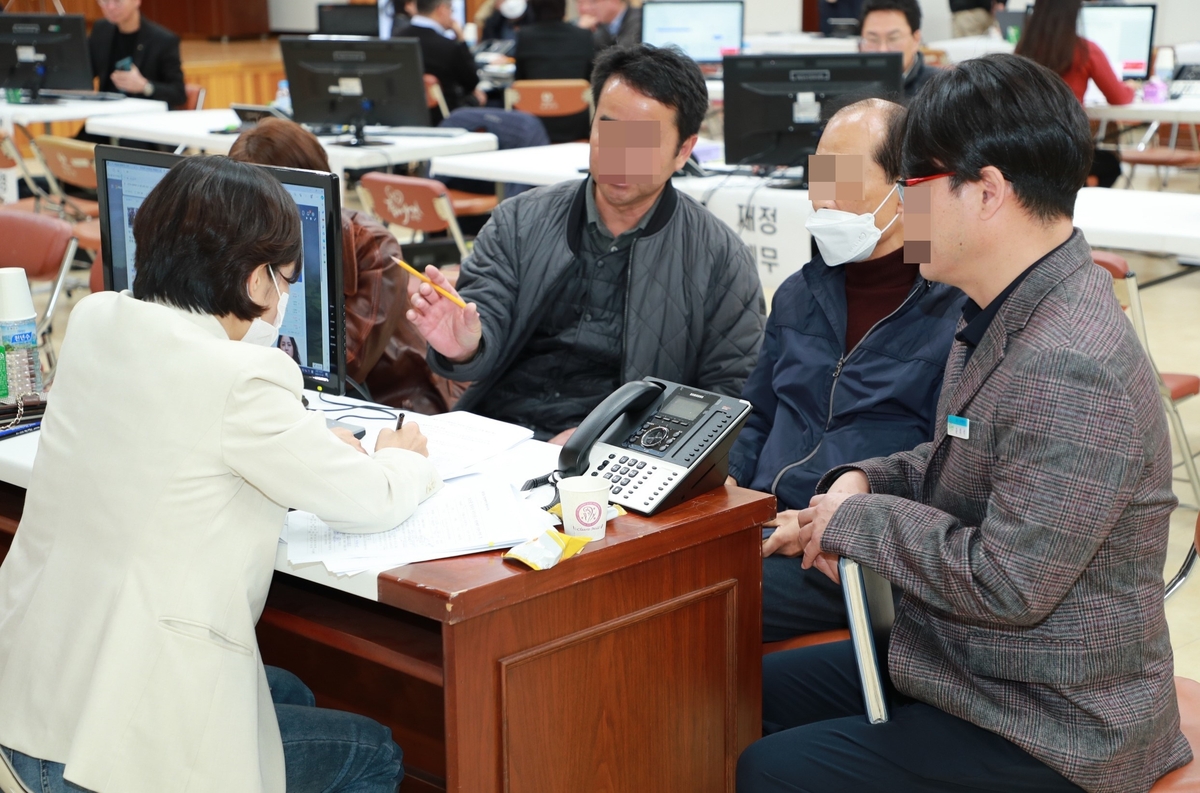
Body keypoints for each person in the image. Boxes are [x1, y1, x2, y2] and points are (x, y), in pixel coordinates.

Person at [736, 53, 1192, 793]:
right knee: (736, 692)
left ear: (985, 192)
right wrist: (862, 477)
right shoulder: (1004, 311)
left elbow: (1006, 584)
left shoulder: (1069, 360)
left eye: (913, 186)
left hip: (1052, 719)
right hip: (970, 662)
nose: (903, 208)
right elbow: (957, 461)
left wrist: (856, 519)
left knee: (770, 770)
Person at [0, 155, 442, 793]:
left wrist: (301, 443)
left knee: (289, 688)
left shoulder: (97, 321)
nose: (285, 296)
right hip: (101, 752)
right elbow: (370, 500)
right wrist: (405, 458)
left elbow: (178, 438)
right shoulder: (243, 378)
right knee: (374, 751)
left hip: (29, 697)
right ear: (258, 279)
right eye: (286, 278)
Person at [407, 44, 764, 443]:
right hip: (499, 436)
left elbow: (728, 398)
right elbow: (485, 315)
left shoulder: (720, 258)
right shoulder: (520, 219)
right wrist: (465, 347)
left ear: (683, 151)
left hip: (622, 455)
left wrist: (603, 438)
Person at [728, 98, 965, 643]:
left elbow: (946, 473)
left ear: (907, 191)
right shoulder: (798, 293)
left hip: (853, 548)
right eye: (820, 173)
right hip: (761, 520)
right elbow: (758, 413)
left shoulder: (955, 314)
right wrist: (725, 481)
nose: (823, 195)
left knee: (687, 599)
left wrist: (828, 521)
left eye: (847, 176)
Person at [229, 118, 463, 414]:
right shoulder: (240, 241)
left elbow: (346, 365)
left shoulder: (371, 246)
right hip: (281, 397)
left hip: (386, 400)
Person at [1015, 0, 1133, 188]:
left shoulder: (1021, 50)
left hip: (1027, 148)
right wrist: (1131, 88)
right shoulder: (1085, 50)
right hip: (1067, 149)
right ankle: (1084, 186)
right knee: (1111, 165)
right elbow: (1118, 98)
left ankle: (1081, 185)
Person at [514, 0, 595, 142]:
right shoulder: (583, 36)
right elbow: (591, 80)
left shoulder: (525, 37)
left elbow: (519, 80)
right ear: (564, 8)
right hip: (576, 124)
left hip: (534, 122)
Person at [393, 0, 484, 117]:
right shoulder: (448, 46)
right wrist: (461, 39)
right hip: (445, 119)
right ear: (441, 9)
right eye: (451, 10)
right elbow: (472, 82)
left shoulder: (395, 41)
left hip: (402, 116)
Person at [88, 0, 186, 108]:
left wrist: (145, 86)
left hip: (145, 116)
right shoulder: (101, 30)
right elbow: (87, 71)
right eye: (105, 1)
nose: (110, 7)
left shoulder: (163, 40)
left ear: (136, 1)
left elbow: (179, 94)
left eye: (117, 2)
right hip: (106, 113)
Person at [859, 0, 938, 101]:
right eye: (873, 39)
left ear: (916, 39)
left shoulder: (937, 88)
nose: (883, 50)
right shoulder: (847, 85)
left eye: (893, 38)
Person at [576, 0, 640, 51]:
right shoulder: (601, 25)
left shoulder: (639, 19)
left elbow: (621, 55)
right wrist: (582, 34)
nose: (590, 8)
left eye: (594, 2)